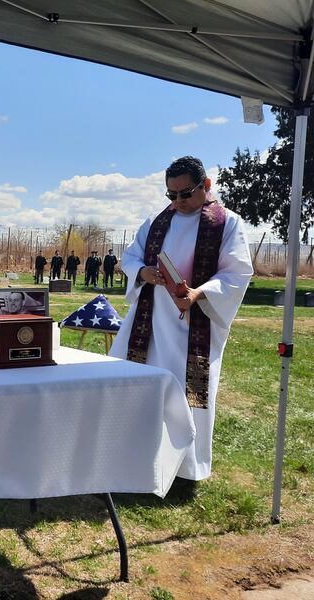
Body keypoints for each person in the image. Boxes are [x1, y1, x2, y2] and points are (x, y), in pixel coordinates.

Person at [109, 155, 253, 481]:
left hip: (194, 327)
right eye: (171, 195)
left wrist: (197, 294)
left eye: (185, 194)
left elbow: (237, 273)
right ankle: (137, 460)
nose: (178, 202)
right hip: (151, 324)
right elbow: (130, 258)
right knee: (141, 385)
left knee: (188, 395)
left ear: (207, 185)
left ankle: (186, 470)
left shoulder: (226, 223)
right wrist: (144, 271)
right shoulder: (157, 222)